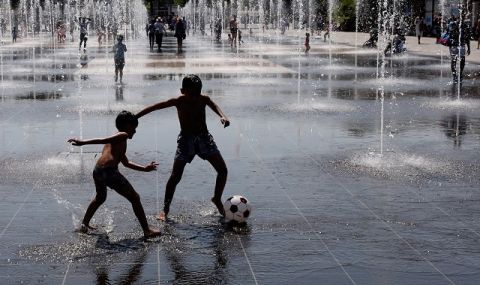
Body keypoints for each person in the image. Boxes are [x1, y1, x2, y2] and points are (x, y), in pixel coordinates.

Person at [135, 74, 230, 221]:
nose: (194, 97)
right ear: (182, 91)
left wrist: (223, 116)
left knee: (222, 170)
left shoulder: (203, 99)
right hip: (186, 141)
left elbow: (214, 105)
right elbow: (154, 107)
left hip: (204, 138)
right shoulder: (178, 101)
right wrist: (135, 117)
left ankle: (216, 199)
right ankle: (165, 210)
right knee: (175, 176)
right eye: (192, 94)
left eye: (197, 93)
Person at [67, 111, 161, 238]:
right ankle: (147, 230)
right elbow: (102, 140)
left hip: (98, 170)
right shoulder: (122, 135)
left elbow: (126, 163)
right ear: (127, 126)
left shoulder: (117, 139)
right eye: (134, 128)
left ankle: (84, 225)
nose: (135, 131)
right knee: (135, 198)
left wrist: (144, 168)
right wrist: (83, 142)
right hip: (109, 171)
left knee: (100, 198)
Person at [447, 14, 471, 83]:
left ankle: (458, 75)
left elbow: (467, 37)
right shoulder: (453, 24)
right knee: (457, 60)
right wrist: (469, 48)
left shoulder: (464, 26)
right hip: (456, 45)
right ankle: (456, 75)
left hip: (458, 45)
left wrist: (469, 48)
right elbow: (449, 33)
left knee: (458, 60)